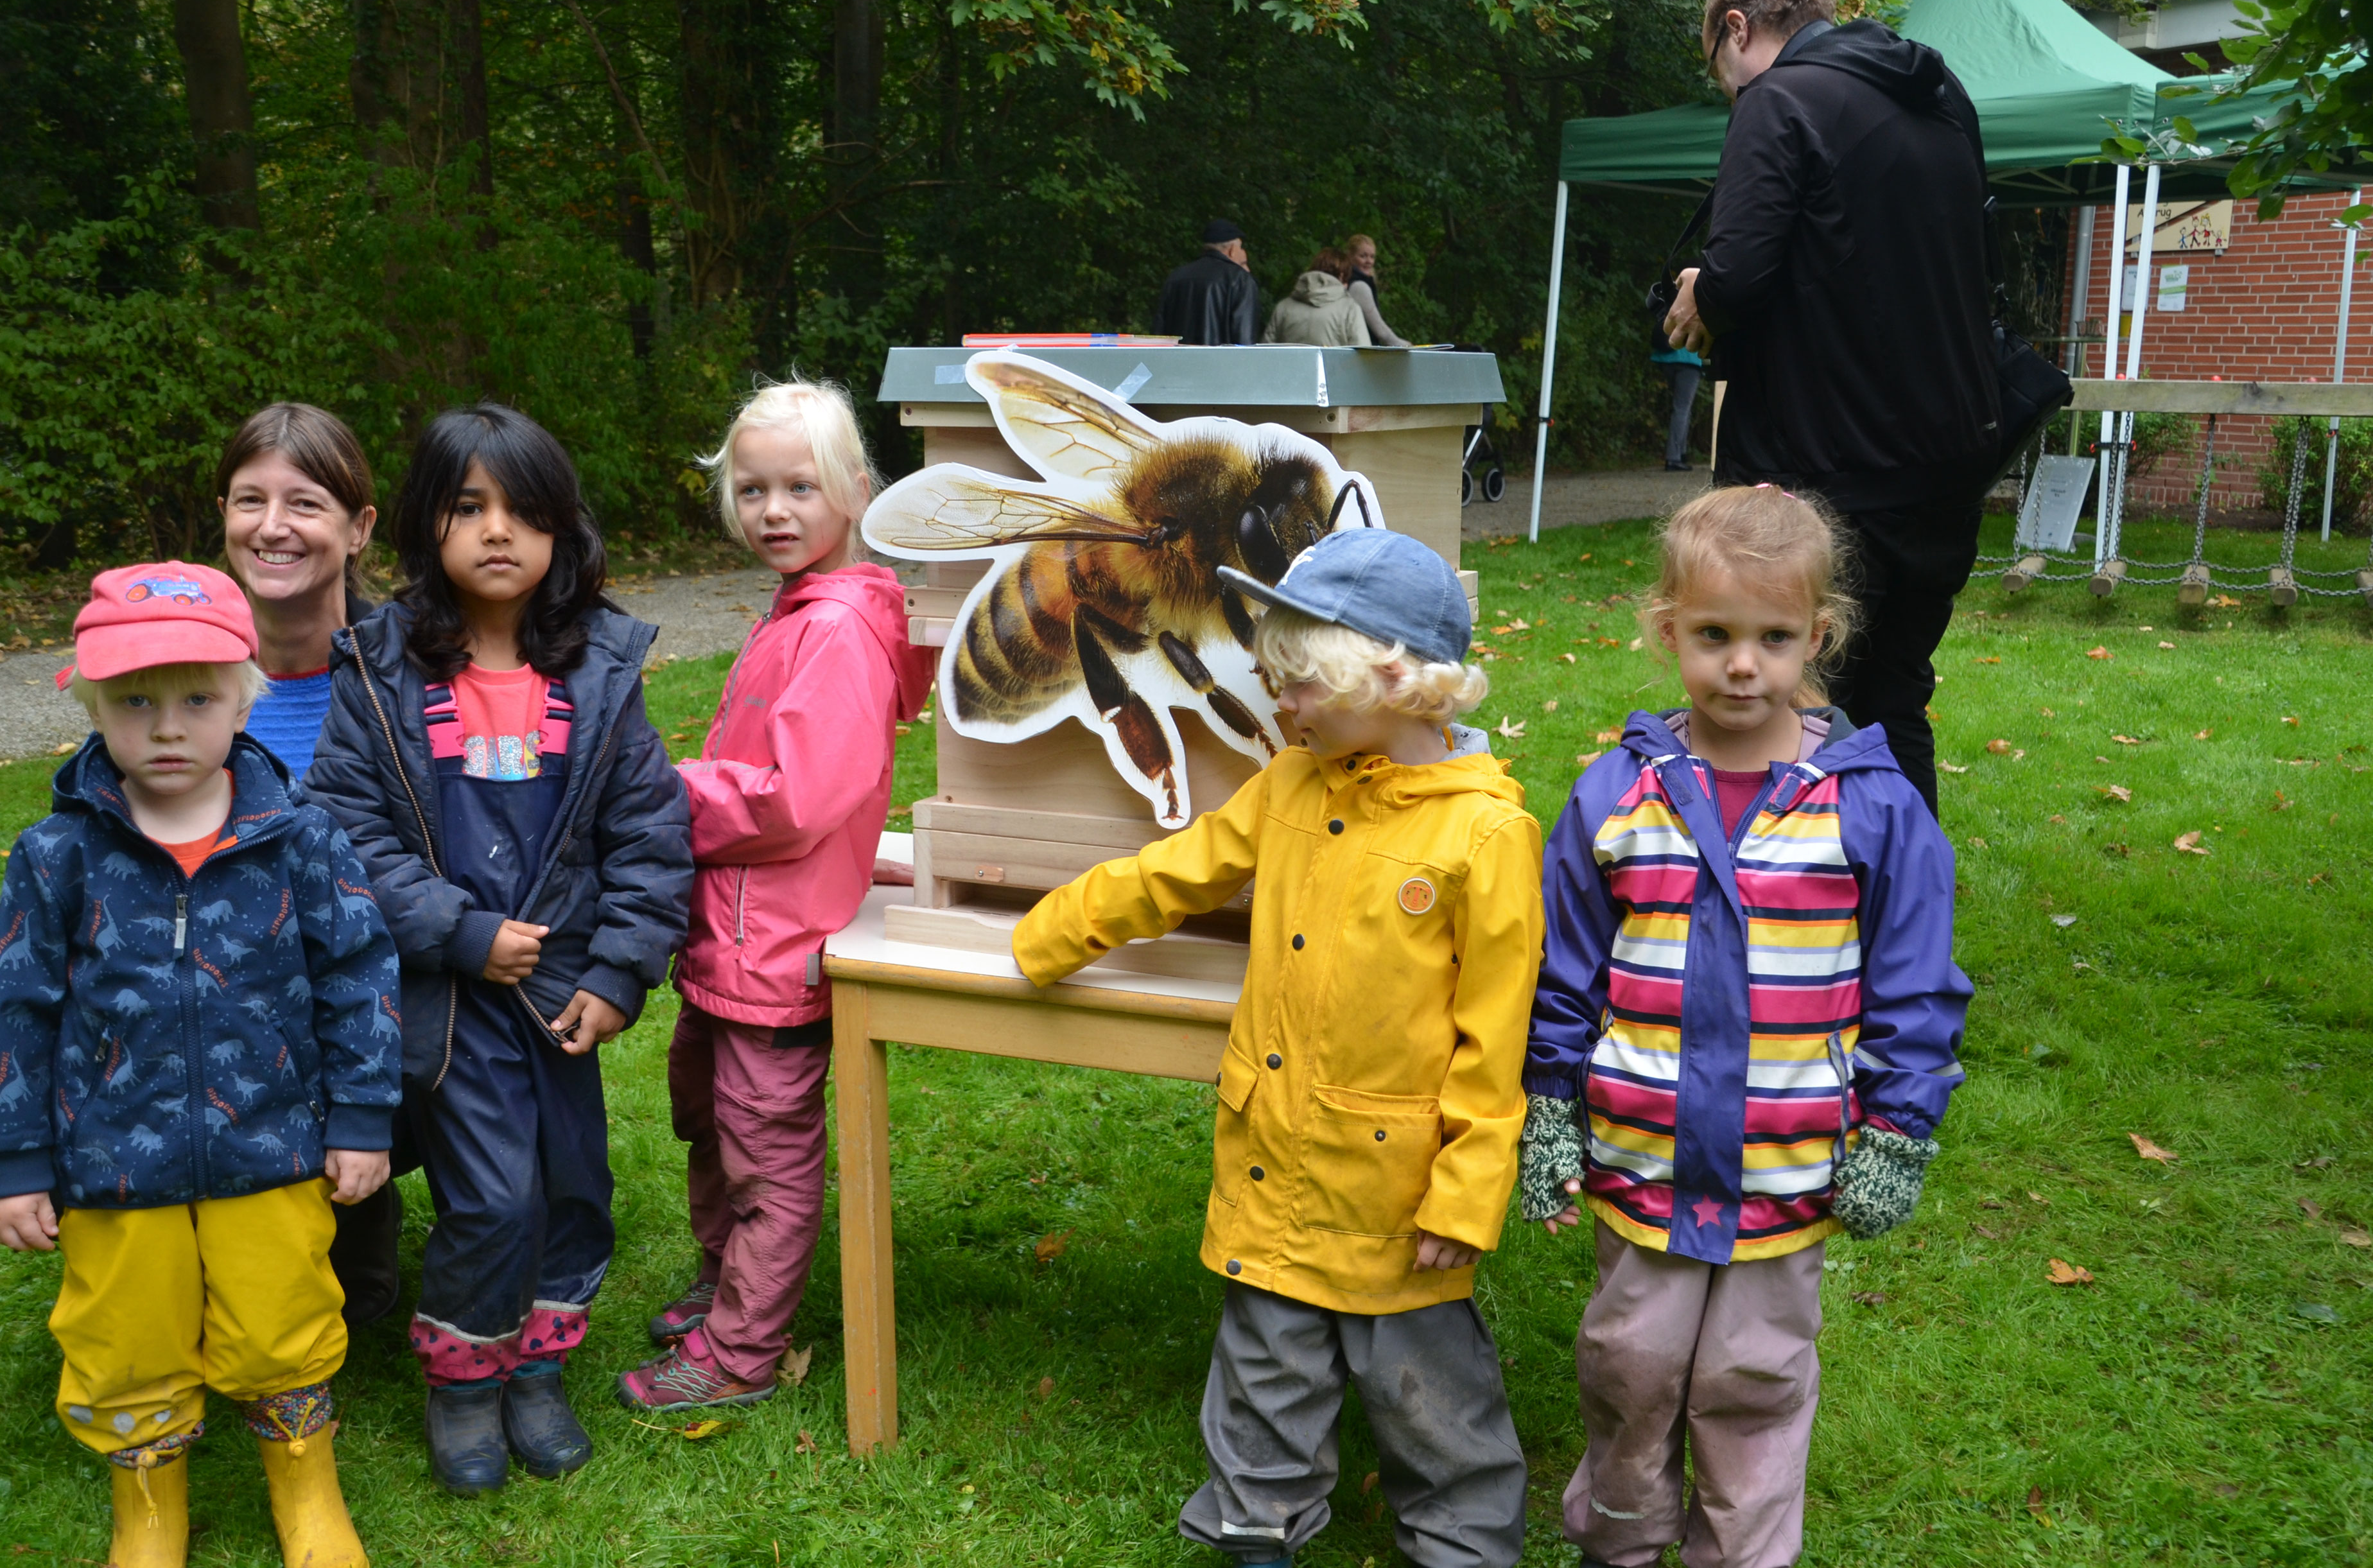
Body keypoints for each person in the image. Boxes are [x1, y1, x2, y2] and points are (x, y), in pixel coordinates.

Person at [1013, 528, 1543, 1568]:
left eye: (1299, 687)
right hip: (1274, 1163)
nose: (1283, 708)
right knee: (1264, 1376)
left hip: (1398, 1197)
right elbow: (1178, 870)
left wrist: (1466, 1190)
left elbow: (1496, 1036)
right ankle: (1258, 1534)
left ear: (1391, 678)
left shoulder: (1483, 837)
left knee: (1430, 1396)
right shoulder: (1293, 784)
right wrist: (1054, 928)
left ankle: (1464, 1545)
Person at [1518, 485, 1970, 1568]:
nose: (1739, 665)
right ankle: (1618, 1542)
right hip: (1641, 1152)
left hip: (1790, 1161)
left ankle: (1743, 1552)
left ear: (1816, 638)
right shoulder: (1618, 792)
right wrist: (1548, 1104)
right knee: (1628, 1364)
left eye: (1772, 638)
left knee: (1752, 1377)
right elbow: (1565, 967)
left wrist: (1897, 1127)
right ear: (1667, 629)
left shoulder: (1867, 801)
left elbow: (1915, 981)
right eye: (1713, 635)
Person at [306, 405, 691, 1495]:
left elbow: (651, 834)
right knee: (489, 1197)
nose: (497, 532)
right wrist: (460, 931)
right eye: (469, 506)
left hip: (563, 994)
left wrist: (620, 970)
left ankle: (539, 1364)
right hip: (453, 1002)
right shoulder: (379, 673)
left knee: (573, 1184)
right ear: (429, 522)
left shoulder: (602, 671)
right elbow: (348, 834)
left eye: (525, 510)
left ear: (562, 531)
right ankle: (466, 1379)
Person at [0, 562, 401, 1568]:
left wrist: (359, 1117)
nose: (167, 726)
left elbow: (360, 973)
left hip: (270, 1143)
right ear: (93, 702)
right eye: (135, 701)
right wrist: (19, 1161)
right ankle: (148, 1507)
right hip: (111, 1164)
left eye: (195, 699)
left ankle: (306, 1487)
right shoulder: (56, 857)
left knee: (285, 1317)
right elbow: (17, 1007)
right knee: (123, 1333)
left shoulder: (301, 839)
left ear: (244, 696)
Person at [619, 379, 932, 1411]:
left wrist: (661, 793)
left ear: (855, 489)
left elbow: (795, 799)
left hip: (776, 945)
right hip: (733, 935)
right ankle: (726, 1290)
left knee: (765, 1153)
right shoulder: (797, 611)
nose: (775, 511)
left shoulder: (837, 630)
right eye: (752, 490)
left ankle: (741, 1352)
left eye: (801, 486)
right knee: (709, 1118)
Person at [1660, 0, 1996, 815]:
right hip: (1947, 458)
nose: (1727, 85)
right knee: (1896, 702)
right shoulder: (1943, 97)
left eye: (1718, 67)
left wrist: (1700, 287)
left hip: (1822, 465)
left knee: (1790, 706)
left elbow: (1738, 276)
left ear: (1735, 28)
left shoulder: (1779, 98)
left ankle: (1774, 917)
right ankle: (1906, 915)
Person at [213, 402, 408, 1327]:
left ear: (359, 527)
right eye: (251, 501)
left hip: (378, 974)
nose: (273, 527)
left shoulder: (407, 670)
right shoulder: (181, 682)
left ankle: (364, 1217)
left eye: (305, 502)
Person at [1155, 218, 1260, 345]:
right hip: (1218, 364)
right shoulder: (1240, 280)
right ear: (1232, 249)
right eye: (1241, 247)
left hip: (1176, 364)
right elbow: (1244, 341)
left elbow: (1158, 335)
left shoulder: (1176, 277)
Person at [1261, 248, 1372, 347]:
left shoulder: (1284, 307)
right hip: (1332, 371)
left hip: (1288, 370)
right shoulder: (1349, 309)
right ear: (1342, 275)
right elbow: (1363, 355)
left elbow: (1265, 352)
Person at [1343, 232, 1410, 347]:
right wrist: (1405, 345)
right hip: (1362, 351)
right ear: (1351, 257)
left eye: (1372, 257)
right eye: (1363, 256)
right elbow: (1380, 330)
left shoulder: (1350, 281)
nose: (1369, 261)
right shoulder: (1359, 286)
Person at [1650, 338, 1703, 471]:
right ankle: (1674, 458)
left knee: (1682, 408)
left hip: (1667, 357)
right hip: (1689, 360)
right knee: (1682, 409)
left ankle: (1681, 452)